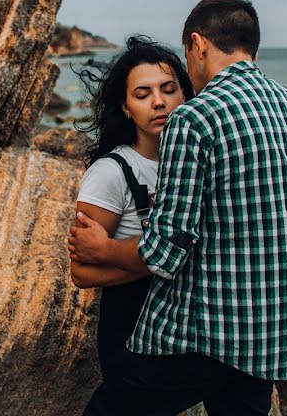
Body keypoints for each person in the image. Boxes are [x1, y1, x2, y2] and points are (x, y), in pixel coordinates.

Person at [68, 0, 287, 415]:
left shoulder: (194, 119)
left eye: (172, 83)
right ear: (252, 48)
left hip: (214, 331)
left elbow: (166, 252)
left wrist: (104, 249)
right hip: (279, 327)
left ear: (198, 46)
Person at [69, 36, 194, 385]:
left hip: (187, 332)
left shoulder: (195, 163)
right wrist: (169, 264)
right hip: (131, 335)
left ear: (184, 94)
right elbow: (82, 272)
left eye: (169, 89)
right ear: (125, 107)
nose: (159, 102)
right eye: (142, 94)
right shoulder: (111, 172)